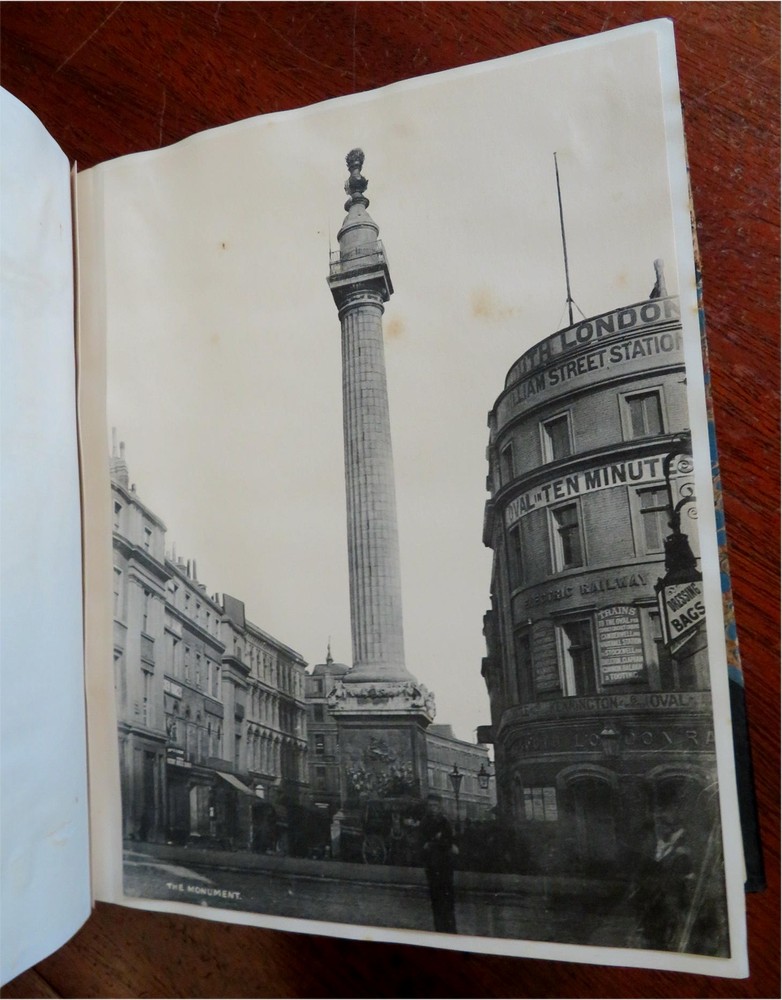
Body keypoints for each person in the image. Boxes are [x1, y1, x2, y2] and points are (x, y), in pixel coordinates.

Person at [420, 794, 457, 933]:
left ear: (440, 806)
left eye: (435, 805)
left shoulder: (444, 822)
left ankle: (450, 928)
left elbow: (449, 841)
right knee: (436, 898)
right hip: (432, 865)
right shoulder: (425, 822)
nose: (433, 808)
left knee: (448, 897)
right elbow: (421, 844)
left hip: (445, 864)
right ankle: (440, 929)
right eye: (430, 806)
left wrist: (433, 842)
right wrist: (436, 840)